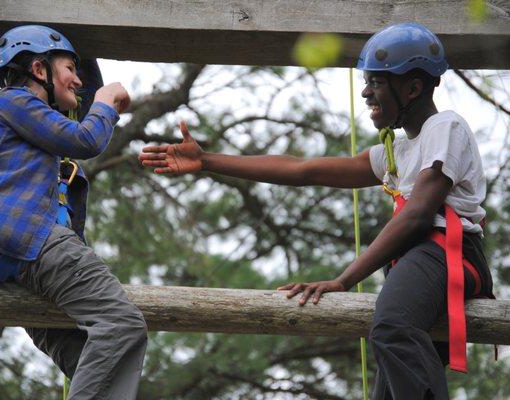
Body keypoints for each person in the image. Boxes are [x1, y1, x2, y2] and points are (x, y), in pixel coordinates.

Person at [139, 22, 494, 399]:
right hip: (419, 261)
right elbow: (301, 170)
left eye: (376, 82)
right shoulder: (396, 151)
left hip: (445, 254)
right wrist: (208, 160)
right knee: (389, 382)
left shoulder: (446, 126)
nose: (365, 92)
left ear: (413, 87)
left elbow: (418, 214)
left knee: (391, 328)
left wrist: (344, 280)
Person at [0, 25, 147, 399]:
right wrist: (105, 102)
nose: (78, 81)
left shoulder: (20, 121)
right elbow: (85, 139)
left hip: (10, 257)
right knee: (122, 324)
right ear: (39, 70)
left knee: (87, 359)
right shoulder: (13, 100)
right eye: (69, 69)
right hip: (33, 240)